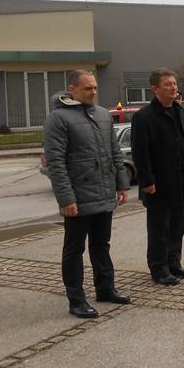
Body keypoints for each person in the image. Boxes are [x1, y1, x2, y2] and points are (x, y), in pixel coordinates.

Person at [43, 70, 131, 318]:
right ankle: (77, 300)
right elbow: (56, 163)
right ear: (73, 89)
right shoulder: (58, 119)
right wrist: (66, 198)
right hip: (78, 198)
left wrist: (121, 184)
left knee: (101, 245)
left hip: (103, 194)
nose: (93, 91)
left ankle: (105, 289)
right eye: (87, 88)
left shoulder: (102, 115)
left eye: (94, 88)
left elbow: (115, 152)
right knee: (74, 250)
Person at [131, 68, 184, 285]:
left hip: (182, 180)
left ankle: (173, 263)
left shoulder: (179, 111)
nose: (173, 87)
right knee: (159, 228)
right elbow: (140, 152)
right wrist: (147, 181)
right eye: (168, 84)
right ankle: (158, 268)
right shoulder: (144, 117)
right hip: (159, 183)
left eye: (174, 83)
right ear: (155, 89)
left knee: (177, 225)